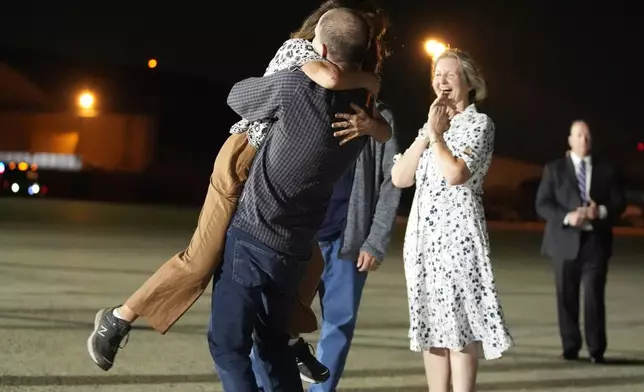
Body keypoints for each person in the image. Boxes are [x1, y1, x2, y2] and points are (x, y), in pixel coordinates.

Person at [86, 1, 391, 380]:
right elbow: (327, 78)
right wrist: (369, 81)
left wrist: (372, 108)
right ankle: (118, 319)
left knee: (309, 260)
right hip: (244, 157)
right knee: (203, 257)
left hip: (275, 169)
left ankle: (291, 339)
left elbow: (375, 119)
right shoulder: (302, 52)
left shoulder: (353, 82)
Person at [208, 8, 374, 392]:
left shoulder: (295, 87)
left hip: (252, 236)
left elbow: (237, 96)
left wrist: (300, 66)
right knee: (274, 345)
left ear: (324, 46)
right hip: (296, 249)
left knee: (228, 346)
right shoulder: (363, 116)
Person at [252, 99, 400, 391]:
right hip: (299, 238)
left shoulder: (380, 116)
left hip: (349, 242)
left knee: (338, 325)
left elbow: (392, 181)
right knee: (274, 320)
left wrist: (375, 241)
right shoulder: (308, 100)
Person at [391, 48, 513, 392]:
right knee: (430, 325)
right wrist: (428, 133)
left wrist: (439, 137)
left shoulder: (479, 124)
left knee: (459, 327)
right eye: (437, 74)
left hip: (458, 238)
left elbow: (456, 173)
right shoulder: (430, 127)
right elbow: (400, 178)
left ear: (468, 82)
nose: (441, 81)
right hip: (422, 240)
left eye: (450, 74)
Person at [535, 120, 625, 364]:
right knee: (567, 297)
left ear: (591, 140)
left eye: (587, 135)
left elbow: (619, 202)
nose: (583, 140)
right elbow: (542, 204)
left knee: (594, 298)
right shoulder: (554, 169)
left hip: (595, 244)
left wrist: (602, 212)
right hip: (564, 243)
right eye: (579, 135)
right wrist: (567, 217)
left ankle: (597, 350)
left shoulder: (607, 169)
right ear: (570, 140)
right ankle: (571, 347)